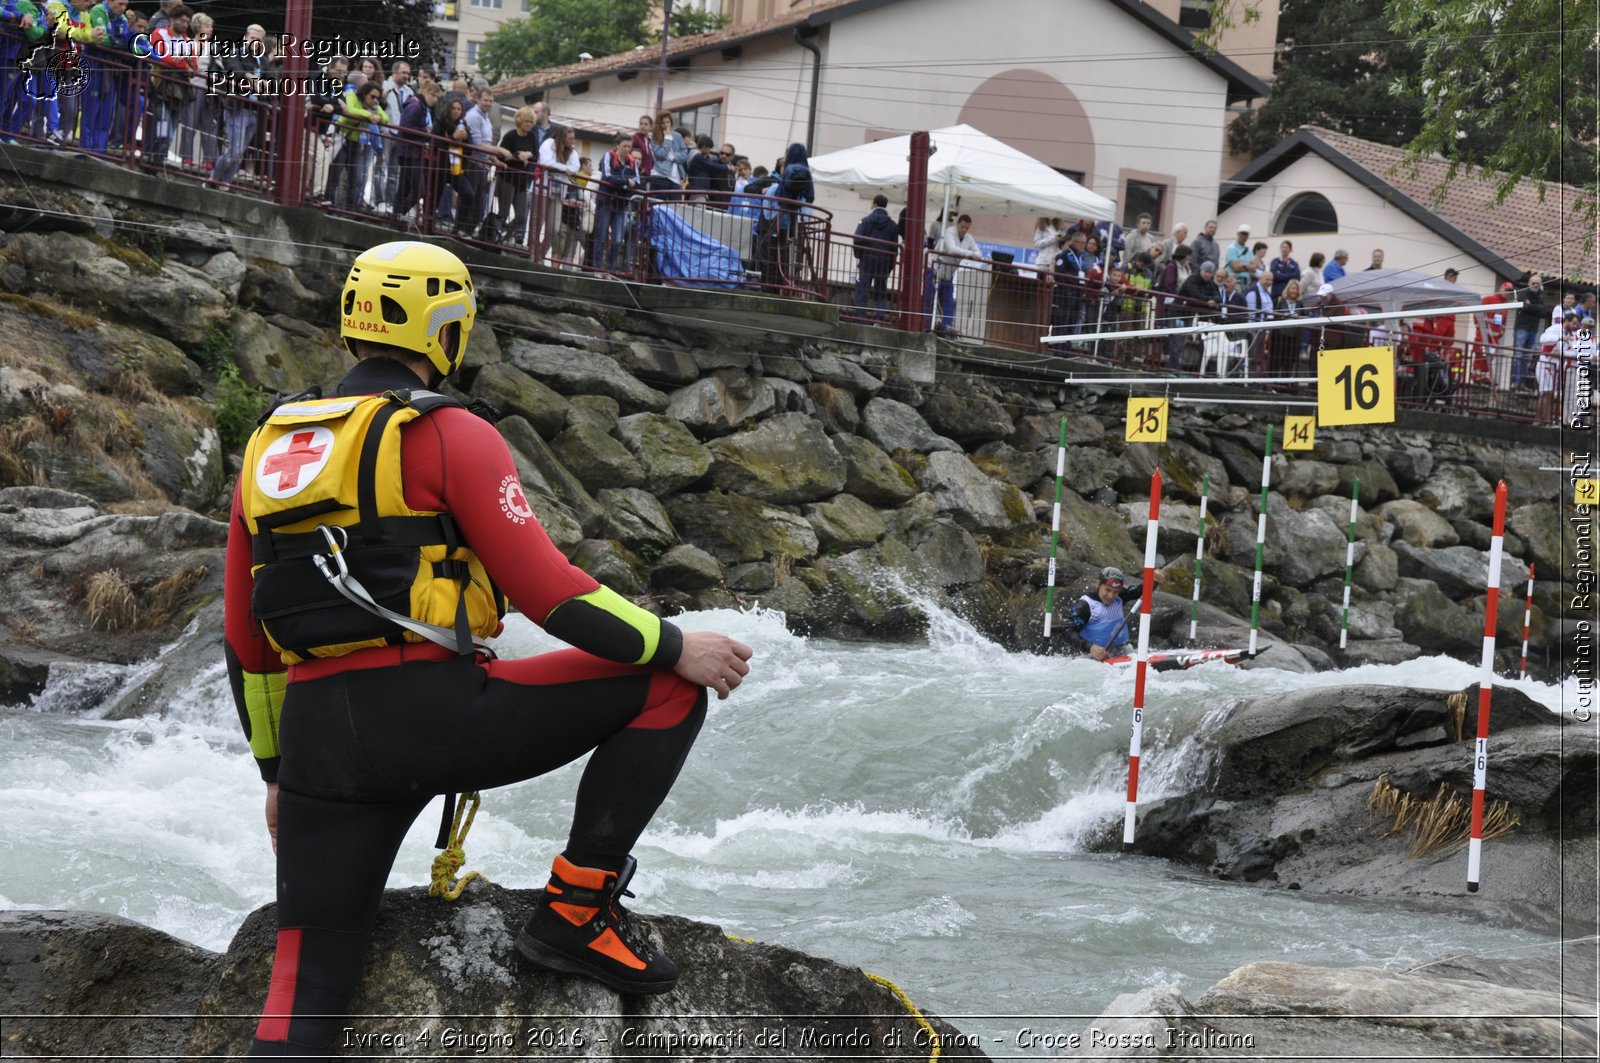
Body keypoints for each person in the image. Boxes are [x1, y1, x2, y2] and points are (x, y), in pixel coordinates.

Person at [225, 241, 754, 1059]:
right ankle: (575, 911)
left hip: (318, 745)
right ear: (447, 328)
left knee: (303, 991)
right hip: (436, 717)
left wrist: (274, 771)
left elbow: (246, 642)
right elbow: (552, 592)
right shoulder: (450, 431)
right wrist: (677, 643)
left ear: (352, 324)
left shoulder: (268, 444)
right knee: (663, 687)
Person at [1067, 566, 1164, 660]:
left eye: (1115, 592)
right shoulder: (1084, 605)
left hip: (1121, 651)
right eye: (1108, 590)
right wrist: (1090, 647)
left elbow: (1139, 591)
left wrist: (1154, 581)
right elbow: (1068, 631)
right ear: (1098, 584)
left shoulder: (1120, 597)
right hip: (1090, 656)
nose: (1111, 596)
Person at [852, 193, 898, 321]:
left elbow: (857, 239)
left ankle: (860, 318)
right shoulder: (893, 225)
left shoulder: (866, 221)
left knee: (863, 290)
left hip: (867, 259)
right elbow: (894, 249)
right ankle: (879, 319)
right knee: (880, 292)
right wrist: (890, 266)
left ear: (875, 205)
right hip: (883, 261)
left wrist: (859, 255)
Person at [933, 213, 980, 335]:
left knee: (948, 303)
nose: (964, 230)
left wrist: (969, 253)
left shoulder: (968, 238)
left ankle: (946, 328)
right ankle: (928, 327)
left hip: (948, 275)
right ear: (958, 224)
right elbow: (952, 249)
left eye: (967, 228)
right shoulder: (949, 232)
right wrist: (969, 254)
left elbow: (979, 253)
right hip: (934, 271)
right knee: (930, 301)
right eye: (962, 227)